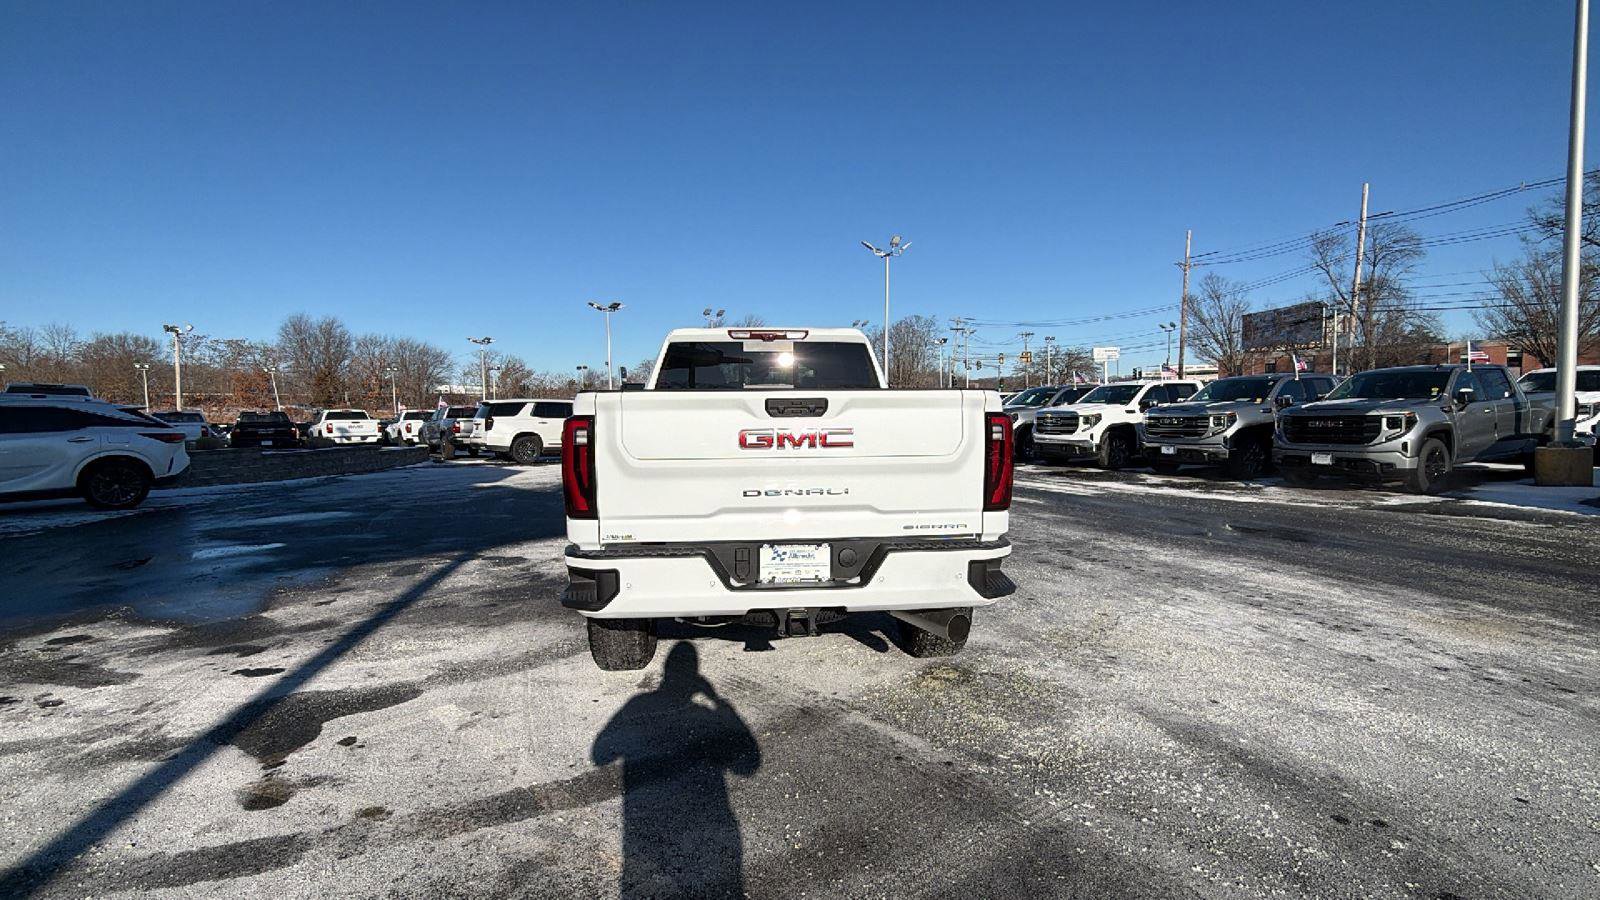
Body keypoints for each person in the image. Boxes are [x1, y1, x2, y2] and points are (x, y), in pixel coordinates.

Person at [591, 642, 761, 898]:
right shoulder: (706, 714)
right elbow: (748, 766)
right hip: (711, 836)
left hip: (647, 836)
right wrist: (721, 705)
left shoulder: (639, 704)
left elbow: (600, 755)